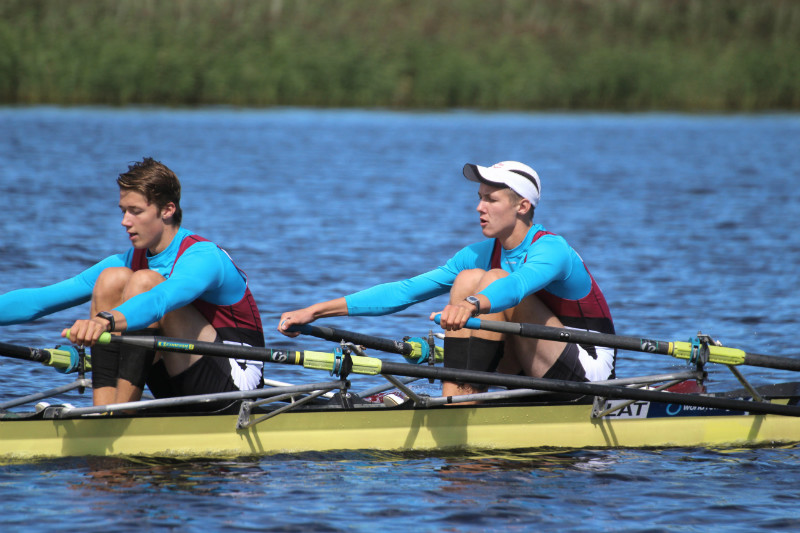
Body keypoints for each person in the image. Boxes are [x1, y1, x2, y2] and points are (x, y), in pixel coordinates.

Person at [278, 161, 615, 399]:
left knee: (492, 278)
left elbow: (515, 286)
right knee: (469, 278)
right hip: (532, 363)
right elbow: (405, 292)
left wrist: (471, 305)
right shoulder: (479, 254)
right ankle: (457, 401)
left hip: (588, 373)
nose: (479, 207)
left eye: (491, 199)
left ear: (522, 206)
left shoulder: (552, 249)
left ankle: (459, 404)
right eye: (479, 197)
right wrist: (316, 311)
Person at [0, 157, 265, 406]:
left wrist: (104, 321)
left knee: (145, 282)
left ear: (167, 210)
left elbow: (161, 299)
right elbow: (42, 300)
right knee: (111, 279)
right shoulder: (130, 259)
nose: (124, 221)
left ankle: (122, 412)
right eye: (123, 211)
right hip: (180, 376)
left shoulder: (203, 256)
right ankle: (103, 413)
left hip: (236, 385)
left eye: (135, 211)